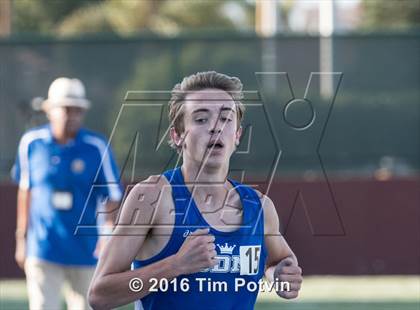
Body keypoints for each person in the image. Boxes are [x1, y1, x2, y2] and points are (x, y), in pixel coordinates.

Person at [88, 71, 302, 310]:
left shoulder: (260, 207)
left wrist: (278, 277)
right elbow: (100, 294)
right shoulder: (151, 197)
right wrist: (175, 265)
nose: (215, 128)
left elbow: (281, 261)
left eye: (226, 119)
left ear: (238, 135)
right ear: (178, 136)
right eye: (201, 119)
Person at [12, 77, 123, 310]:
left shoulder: (96, 146)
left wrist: (108, 238)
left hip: (86, 248)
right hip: (44, 245)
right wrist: (21, 239)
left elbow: (113, 195)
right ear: (50, 110)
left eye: (77, 110)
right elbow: (25, 192)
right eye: (65, 108)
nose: (70, 115)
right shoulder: (31, 143)